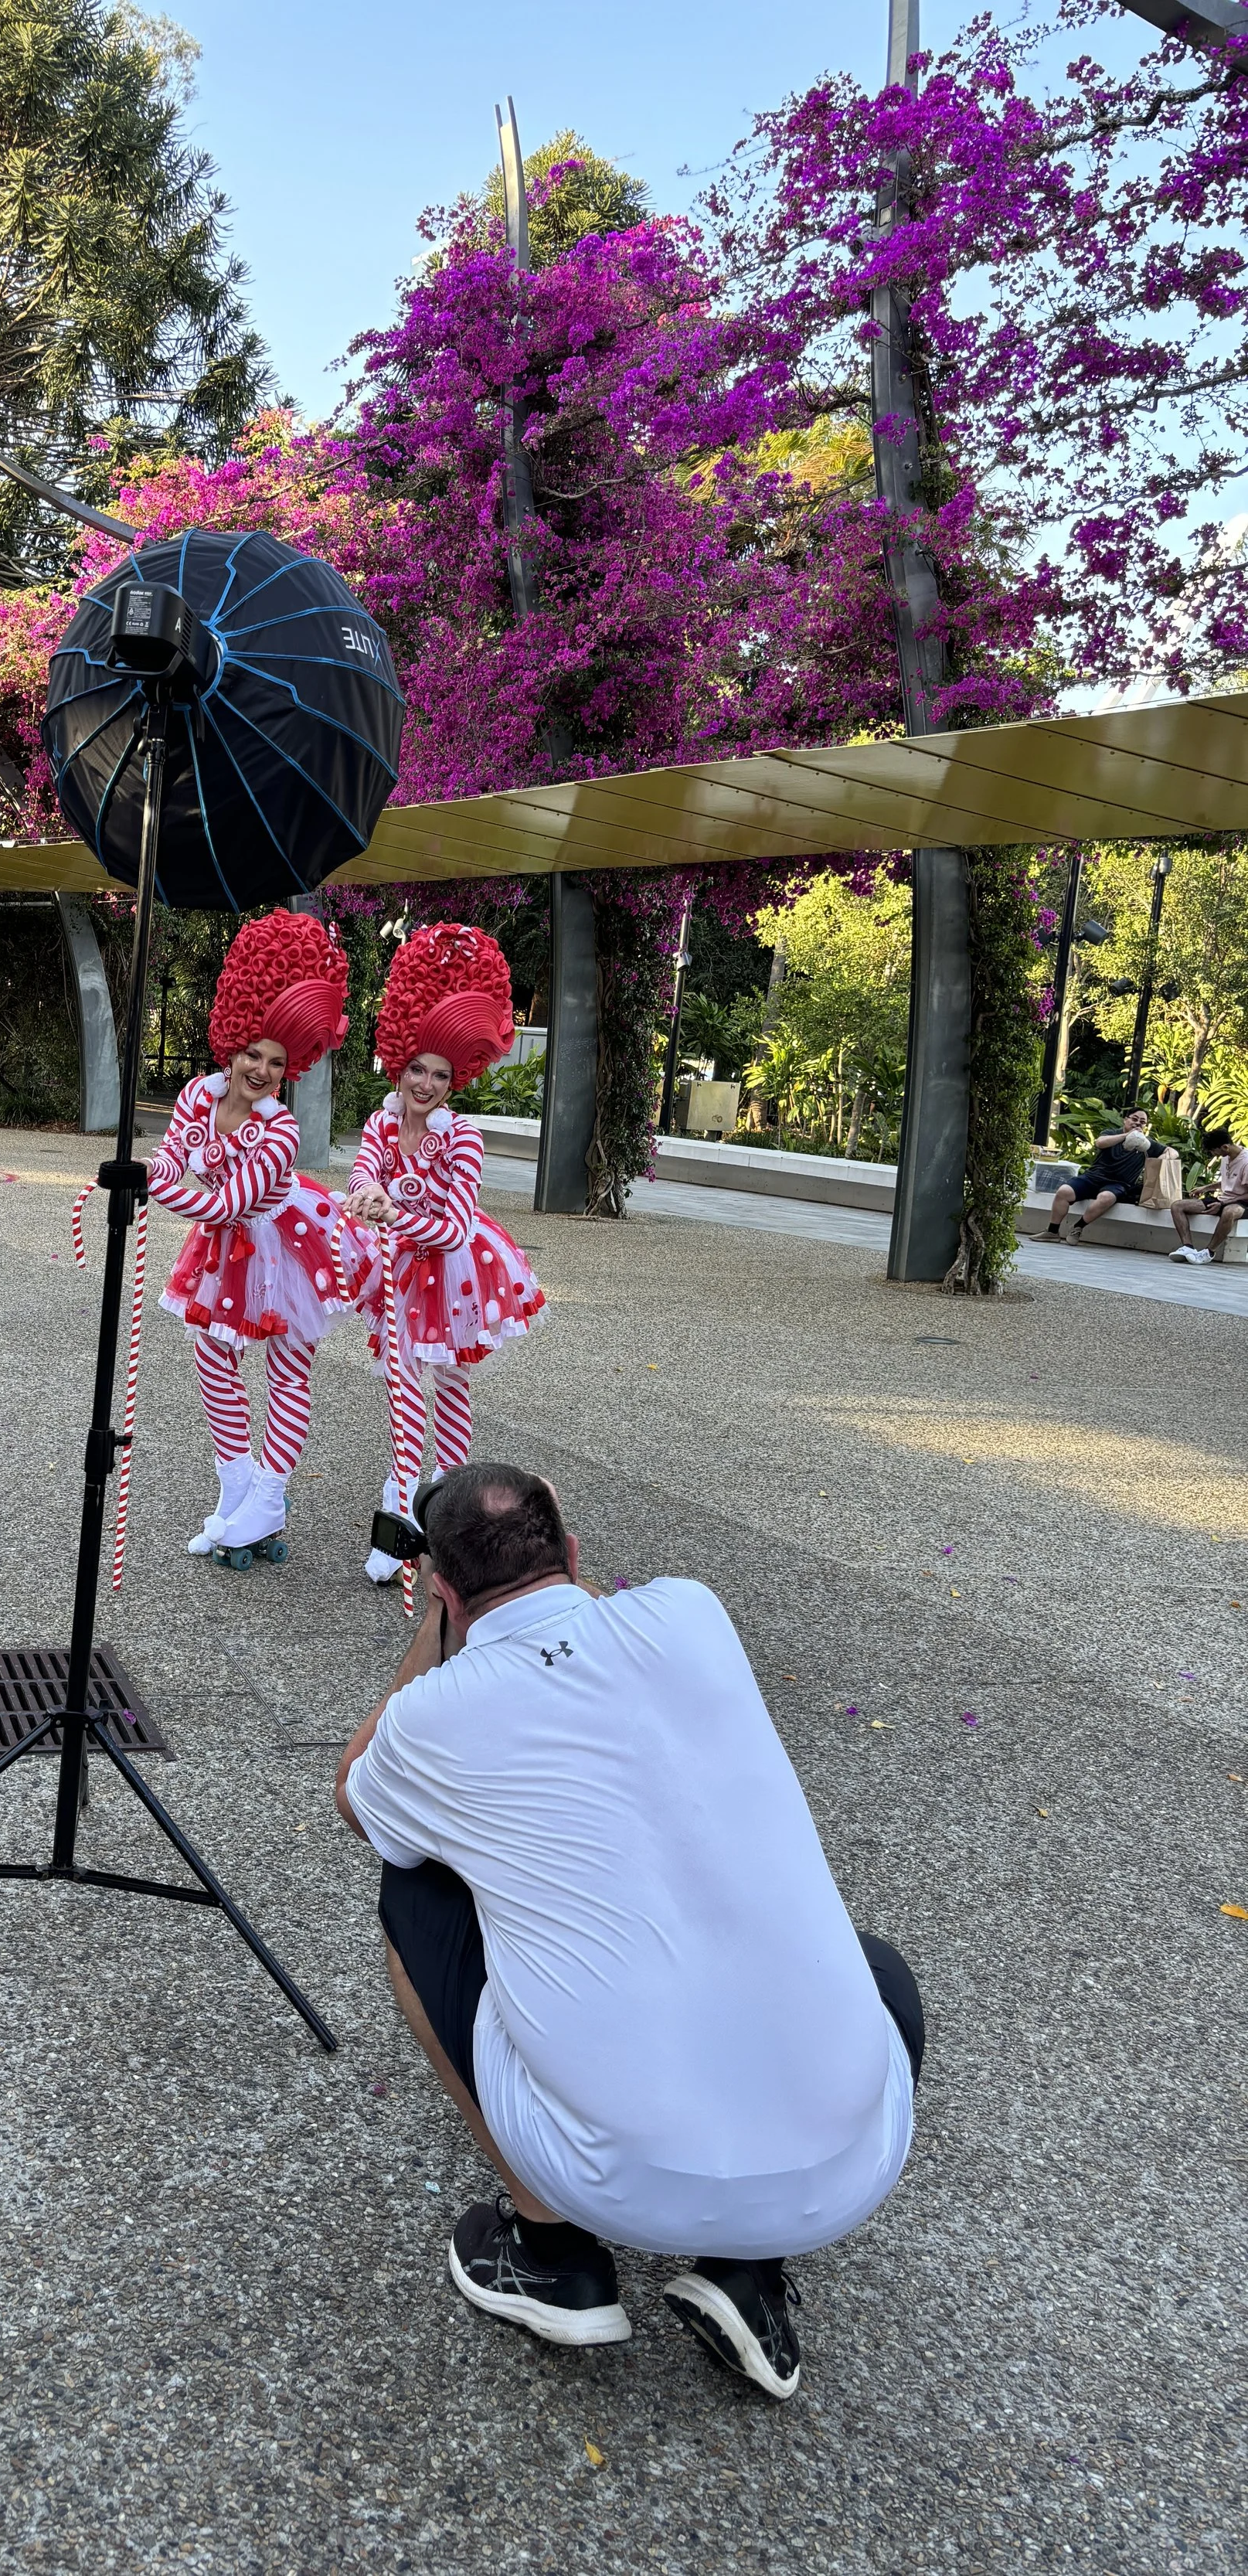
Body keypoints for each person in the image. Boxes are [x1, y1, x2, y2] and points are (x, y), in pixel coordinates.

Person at [335, 1465, 923, 2401]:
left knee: (414, 1884)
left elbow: (356, 1797)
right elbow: (583, 1625)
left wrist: (435, 1632)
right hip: (847, 2175)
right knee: (874, 1966)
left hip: (617, 2178)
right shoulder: (691, 1612)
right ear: (572, 1554)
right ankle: (749, 2272)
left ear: (444, 1592)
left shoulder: (432, 1718)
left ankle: (550, 2256)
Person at [341, 925, 546, 1585]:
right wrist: (368, 1191)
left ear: (457, 1079)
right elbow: (362, 1173)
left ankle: (451, 1516)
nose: (425, 1083)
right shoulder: (380, 1122)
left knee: (452, 1389)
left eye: (440, 1074)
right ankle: (401, 1512)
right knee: (402, 1391)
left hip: (457, 1275)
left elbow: (455, 1230)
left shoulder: (464, 1137)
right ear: (399, 1065)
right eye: (417, 1069)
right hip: (399, 1273)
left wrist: (392, 1213)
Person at [146, 908, 351, 1561]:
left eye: (276, 1061)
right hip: (227, 1251)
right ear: (231, 1044)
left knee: (288, 1369)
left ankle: (269, 1494)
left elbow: (224, 1205)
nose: (261, 1069)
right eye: (252, 1053)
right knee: (213, 1356)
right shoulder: (196, 1096)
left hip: (287, 1242)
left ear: (291, 1068)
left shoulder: (281, 1129)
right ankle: (236, 1486)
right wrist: (153, 1174)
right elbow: (171, 1160)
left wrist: (156, 1184)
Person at [1043, 1108, 1151, 1241]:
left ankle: (1078, 1227)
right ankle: (1052, 1232)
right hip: (1092, 1178)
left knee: (1106, 1198)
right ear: (1125, 1120)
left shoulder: (1147, 1144)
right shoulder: (1111, 1134)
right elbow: (1099, 1143)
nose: (1138, 1123)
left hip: (1117, 1185)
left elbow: (1171, 1152)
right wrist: (1128, 1136)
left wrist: (1167, 1154)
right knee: (1063, 1191)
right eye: (1134, 1119)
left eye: (1142, 1122)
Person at [1166, 1131, 1248, 1265]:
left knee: (1229, 1212)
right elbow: (1229, 1182)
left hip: (1243, 1203)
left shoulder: (1246, 1162)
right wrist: (1205, 1188)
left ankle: (1209, 1252)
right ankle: (1188, 1247)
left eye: (1213, 1151)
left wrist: (1223, 1204)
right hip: (1223, 1200)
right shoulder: (1226, 1157)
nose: (1213, 1154)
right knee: (1177, 1206)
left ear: (1225, 1147)